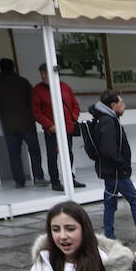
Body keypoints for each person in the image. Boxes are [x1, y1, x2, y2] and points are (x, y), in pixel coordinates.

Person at [87, 90, 136, 240]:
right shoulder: (108, 121)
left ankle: (109, 235)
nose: (124, 106)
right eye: (122, 103)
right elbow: (108, 150)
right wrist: (122, 165)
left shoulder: (105, 118)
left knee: (110, 203)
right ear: (113, 106)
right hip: (115, 171)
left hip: (110, 171)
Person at [0, 58, 46, 189]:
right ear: (13, 67)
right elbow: (33, 99)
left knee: (14, 154)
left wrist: (1, 105)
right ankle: (39, 177)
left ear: (0, 68)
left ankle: (19, 181)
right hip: (26, 122)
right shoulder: (22, 82)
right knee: (34, 151)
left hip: (8, 124)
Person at [32, 64, 82, 192]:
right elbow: (37, 112)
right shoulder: (38, 90)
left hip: (68, 128)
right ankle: (55, 181)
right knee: (53, 156)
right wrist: (50, 125)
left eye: (45, 73)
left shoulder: (65, 87)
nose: (43, 76)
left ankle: (70, 178)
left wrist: (73, 117)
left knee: (68, 154)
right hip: (52, 130)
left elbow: (75, 104)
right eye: (42, 73)